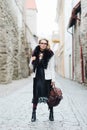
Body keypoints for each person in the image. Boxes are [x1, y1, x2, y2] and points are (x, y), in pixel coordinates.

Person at [30, 38, 55, 122]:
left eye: (45, 43)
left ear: (47, 45)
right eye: (42, 43)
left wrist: (53, 80)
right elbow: (30, 66)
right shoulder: (35, 53)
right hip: (37, 77)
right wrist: (31, 61)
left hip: (46, 77)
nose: (43, 44)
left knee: (49, 95)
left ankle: (51, 112)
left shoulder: (50, 54)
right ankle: (33, 113)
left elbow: (52, 68)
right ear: (39, 44)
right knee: (36, 95)